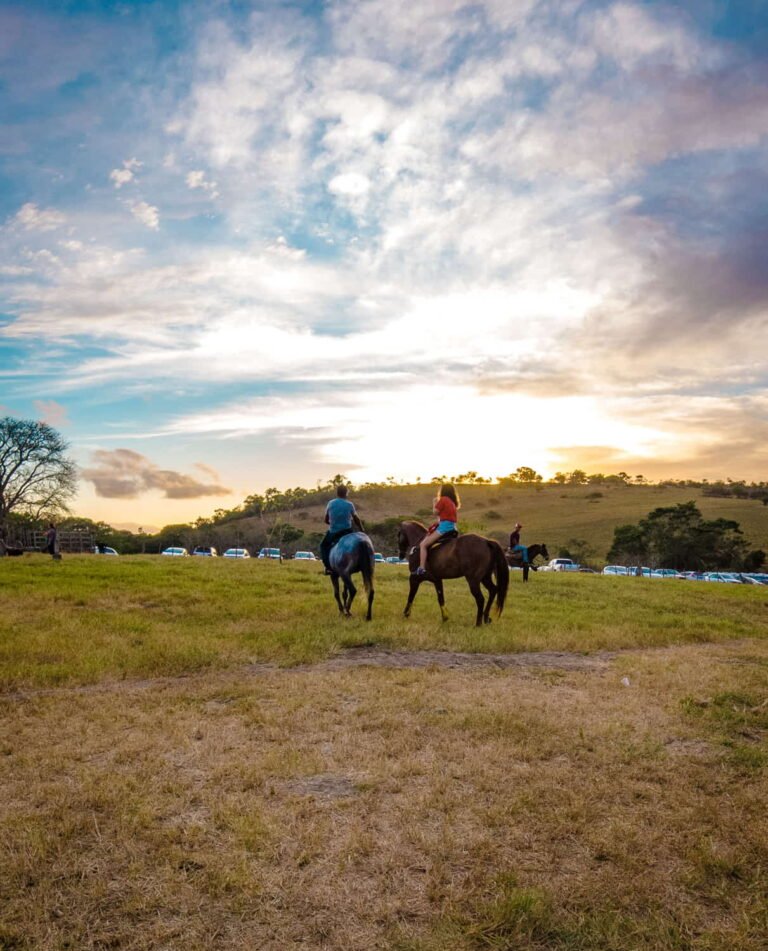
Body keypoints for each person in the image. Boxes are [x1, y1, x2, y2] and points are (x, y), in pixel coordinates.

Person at [414, 483, 460, 576]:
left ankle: (421, 568)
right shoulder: (453, 502)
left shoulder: (443, 500)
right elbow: (442, 515)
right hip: (453, 527)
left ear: (442, 491)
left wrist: (434, 503)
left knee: (423, 545)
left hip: (444, 527)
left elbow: (435, 512)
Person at [320, 485, 363, 574]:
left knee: (323, 546)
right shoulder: (350, 504)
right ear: (346, 493)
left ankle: (328, 567)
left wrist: (333, 524)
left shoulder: (330, 503)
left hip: (333, 532)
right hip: (347, 532)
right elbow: (356, 519)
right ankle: (360, 565)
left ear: (337, 493)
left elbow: (326, 520)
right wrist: (362, 529)